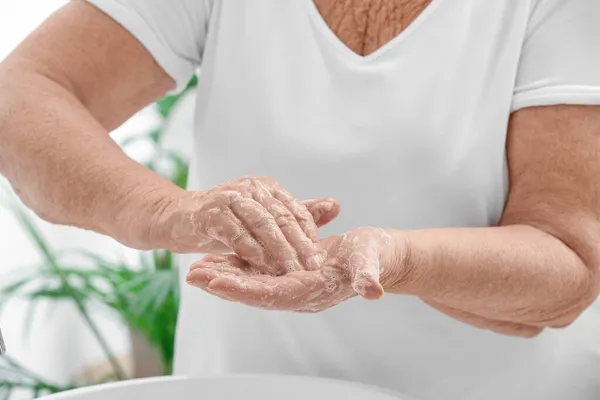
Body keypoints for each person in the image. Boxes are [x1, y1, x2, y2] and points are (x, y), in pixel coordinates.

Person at [1, 0, 599, 398]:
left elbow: (568, 258)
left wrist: (392, 259)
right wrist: (170, 212)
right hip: (234, 385)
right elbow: (22, 97)